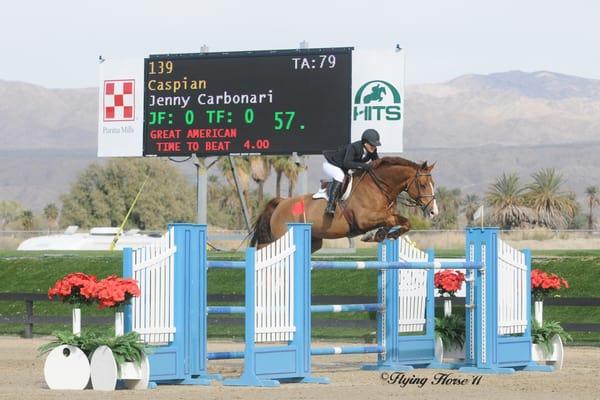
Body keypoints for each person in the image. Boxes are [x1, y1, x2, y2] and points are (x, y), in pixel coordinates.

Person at [322, 129, 381, 215]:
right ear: (365, 143)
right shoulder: (354, 147)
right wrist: (365, 166)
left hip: (345, 168)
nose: (374, 147)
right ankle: (331, 206)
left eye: (375, 146)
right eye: (372, 145)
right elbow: (347, 163)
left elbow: (376, 162)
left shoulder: (372, 150)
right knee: (339, 176)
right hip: (332, 165)